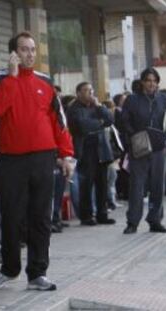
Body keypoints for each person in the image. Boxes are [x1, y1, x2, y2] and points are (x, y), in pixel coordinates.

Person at [0, 32, 74, 291]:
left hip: (43, 158)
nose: (30, 54)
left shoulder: (45, 81)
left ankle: (37, 273)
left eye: (33, 49)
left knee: (41, 217)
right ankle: (9, 269)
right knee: (11, 217)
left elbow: (59, 121)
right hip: (11, 159)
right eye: (24, 50)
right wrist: (12, 76)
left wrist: (65, 154)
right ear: (13, 53)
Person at [122, 68, 166, 234]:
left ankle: (155, 220)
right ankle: (133, 222)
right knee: (137, 186)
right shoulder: (132, 99)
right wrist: (134, 136)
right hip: (140, 147)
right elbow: (124, 121)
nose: (151, 84)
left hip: (158, 148)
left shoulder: (163, 98)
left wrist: (164, 135)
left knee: (158, 185)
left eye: (154, 81)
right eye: (148, 80)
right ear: (142, 82)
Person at [67, 83, 116, 226]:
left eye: (91, 90)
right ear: (78, 93)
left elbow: (110, 120)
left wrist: (100, 107)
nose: (91, 93)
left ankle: (102, 214)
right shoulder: (74, 108)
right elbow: (82, 126)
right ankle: (86, 215)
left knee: (102, 183)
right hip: (85, 149)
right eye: (87, 90)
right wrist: (100, 122)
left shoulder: (96, 105)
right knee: (86, 184)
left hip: (101, 148)